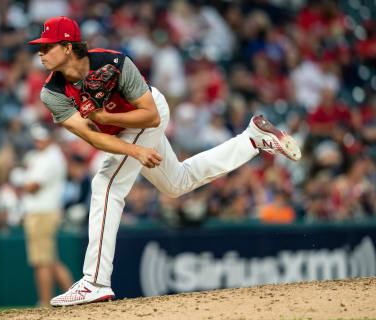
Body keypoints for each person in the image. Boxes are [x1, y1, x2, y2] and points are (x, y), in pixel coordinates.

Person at [28, 16, 301, 306]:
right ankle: (252, 139)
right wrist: (131, 148)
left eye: (47, 47)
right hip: (120, 131)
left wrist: (108, 121)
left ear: (68, 47)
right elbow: (93, 138)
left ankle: (95, 281)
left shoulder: (116, 63)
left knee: (106, 183)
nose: (40, 53)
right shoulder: (52, 92)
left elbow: (151, 116)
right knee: (177, 183)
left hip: (148, 113)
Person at [21, 124, 73, 307]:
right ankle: (73, 296)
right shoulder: (49, 156)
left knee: (42, 262)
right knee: (49, 260)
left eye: (40, 139)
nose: (37, 142)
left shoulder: (49, 157)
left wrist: (19, 183)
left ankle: (45, 303)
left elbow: (32, 186)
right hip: (45, 211)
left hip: (42, 213)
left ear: (48, 139)